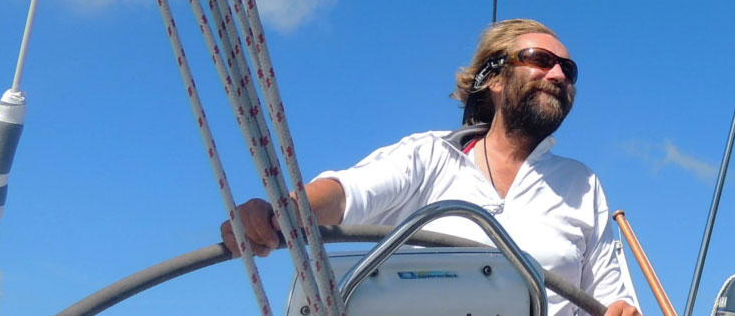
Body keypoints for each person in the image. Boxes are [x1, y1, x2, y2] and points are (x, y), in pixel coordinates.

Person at [221, 19, 642, 316]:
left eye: (569, 69)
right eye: (540, 59)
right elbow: (347, 194)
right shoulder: (431, 156)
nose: (558, 74)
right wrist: (282, 214)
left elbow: (613, 299)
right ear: (493, 78)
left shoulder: (583, 186)